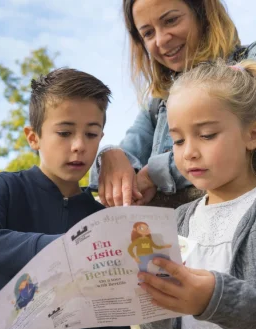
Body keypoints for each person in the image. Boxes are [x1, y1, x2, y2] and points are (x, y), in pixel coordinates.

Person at [0, 68, 132, 329]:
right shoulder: (6, 187)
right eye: (64, 133)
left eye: (91, 134)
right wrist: (63, 248)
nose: (78, 145)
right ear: (33, 137)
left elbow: (112, 323)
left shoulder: (103, 218)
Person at [138, 58, 256, 329]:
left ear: (252, 135)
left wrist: (212, 298)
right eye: (177, 140)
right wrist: (153, 299)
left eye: (205, 135)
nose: (188, 151)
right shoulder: (176, 221)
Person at [89, 0, 256, 208]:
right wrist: (110, 156)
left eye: (170, 20)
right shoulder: (159, 102)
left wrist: (154, 173)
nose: (161, 40)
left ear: (202, 13)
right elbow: (129, 152)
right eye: (148, 33)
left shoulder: (250, 62)